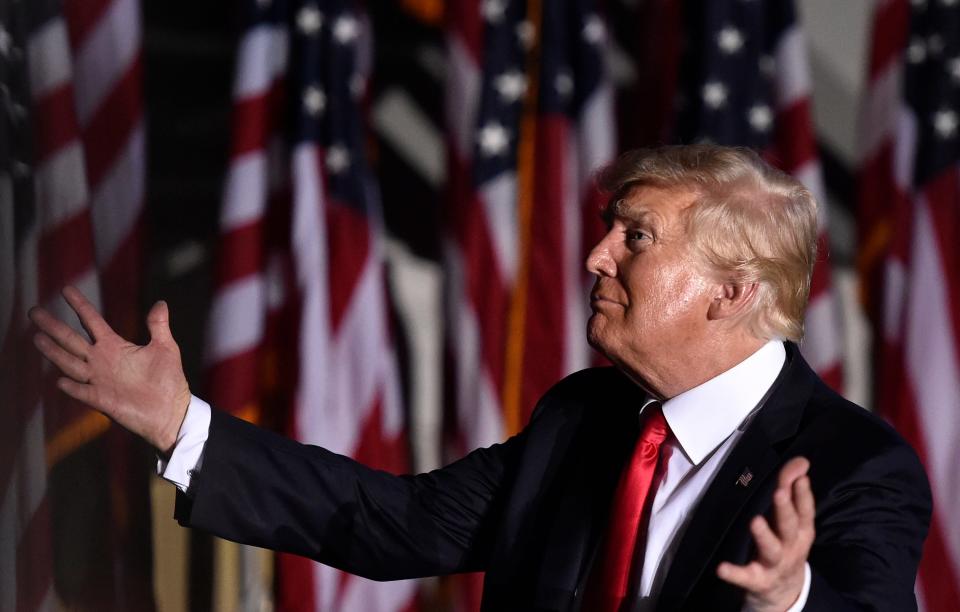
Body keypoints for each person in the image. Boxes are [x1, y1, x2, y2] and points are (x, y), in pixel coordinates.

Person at [30, 145, 931, 611]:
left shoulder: (855, 464)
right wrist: (182, 425)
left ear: (732, 293)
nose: (595, 255)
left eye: (637, 239)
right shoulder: (583, 417)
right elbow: (395, 525)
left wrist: (790, 599)